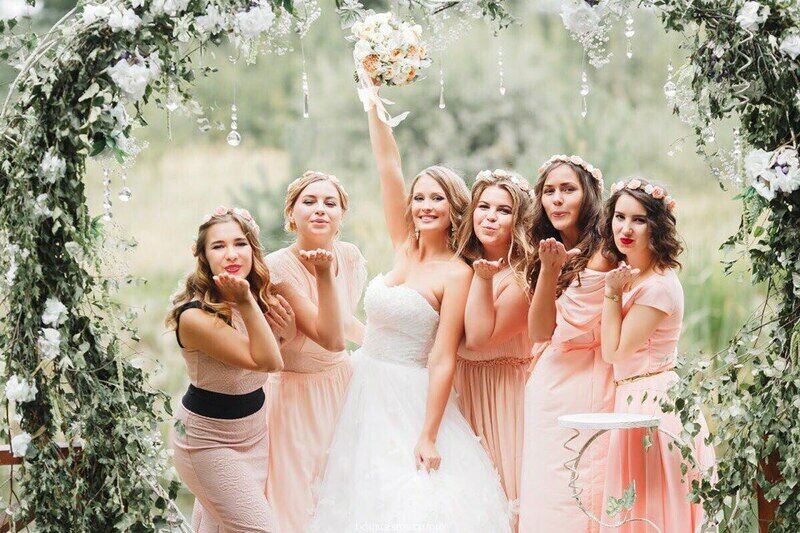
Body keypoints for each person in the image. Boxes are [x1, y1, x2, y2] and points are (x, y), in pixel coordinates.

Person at [308, 90, 511, 532]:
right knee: (358, 497)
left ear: (454, 207)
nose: (425, 206)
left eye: (436, 199)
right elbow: (389, 168)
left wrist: (429, 434)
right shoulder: (402, 243)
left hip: (409, 396)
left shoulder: (457, 273)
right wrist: (372, 100)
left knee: (410, 500)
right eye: (419, 198)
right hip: (364, 385)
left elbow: (442, 357)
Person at [599, 178, 715, 532]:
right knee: (635, 506)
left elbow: (613, 351)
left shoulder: (658, 286)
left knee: (653, 508)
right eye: (620, 217)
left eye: (639, 220)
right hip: (633, 398)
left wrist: (611, 294)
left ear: (656, 226)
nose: (625, 228)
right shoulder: (633, 275)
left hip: (653, 404)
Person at [167, 206, 285, 532]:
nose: (231, 254)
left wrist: (276, 323)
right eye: (218, 246)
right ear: (204, 257)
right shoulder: (194, 317)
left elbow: (275, 352)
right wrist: (245, 302)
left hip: (253, 433)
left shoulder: (260, 297)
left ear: (253, 249)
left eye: (240, 243)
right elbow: (269, 361)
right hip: (206, 441)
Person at [265, 171, 367, 533]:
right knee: (296, 496)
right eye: (309, 202)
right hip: (296, 394)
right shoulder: (278, 268)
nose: (320, 209)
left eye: (330, 203)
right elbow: (331, 337)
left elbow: (345, 321)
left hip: (343, 385)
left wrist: (384, 347)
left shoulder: (350, 256)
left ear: (341, 215)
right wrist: (323, 273)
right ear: (291, 214)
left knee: (341, 487)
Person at [519, 155, 615, 533]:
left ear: (587, 195)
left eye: (568, 190)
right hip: (548, 384)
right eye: (549, 191)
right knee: (548, 485)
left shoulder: (606, 251)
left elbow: (570, 327)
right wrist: (548, 269)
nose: (556, 199)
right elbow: (540, 331)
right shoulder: (547, 250)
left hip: (589, 379)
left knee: (583, 483)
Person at [454, 169, 536, 524]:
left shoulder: (522, 277)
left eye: (504, 210)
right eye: (484, 206)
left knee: (503, 490)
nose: (490, 216)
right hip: (460, 389)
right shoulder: (459, 266)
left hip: (502, 394)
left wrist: (484, 279)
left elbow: (477, 339)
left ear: (519, 220)